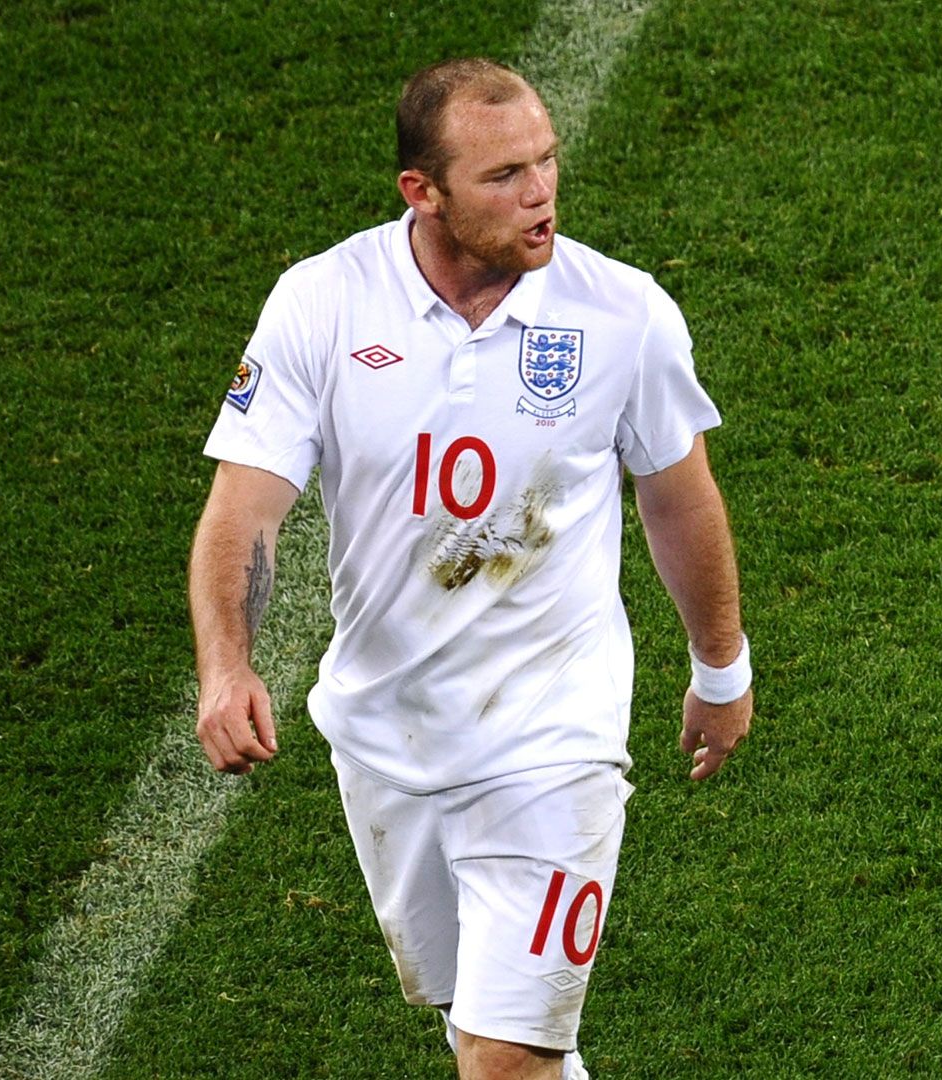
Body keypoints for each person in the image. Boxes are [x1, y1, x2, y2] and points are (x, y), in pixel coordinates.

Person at [186, 58, 754, 1080]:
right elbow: (245, 506)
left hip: (551, 739)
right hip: (385, 737)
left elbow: (678, 495)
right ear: (424, 191)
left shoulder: (621, 313)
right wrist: (227, 666)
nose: (540, 194)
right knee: (481, 1029)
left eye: (546, 161)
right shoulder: (324, 303)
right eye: (503, 176)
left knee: (505, 1059)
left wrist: (722, 668)